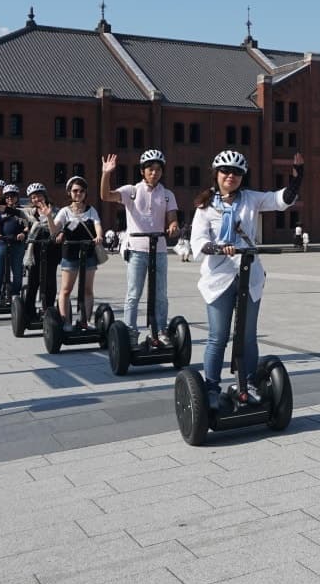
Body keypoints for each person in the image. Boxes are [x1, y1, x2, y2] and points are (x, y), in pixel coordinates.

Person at [191, 149, 303, 407]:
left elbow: (280, 200)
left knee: (248, 336)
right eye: (226, 171)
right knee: (217, 336)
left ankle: (247, 383)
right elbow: (198, 240)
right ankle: (210, 388)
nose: (231, 176)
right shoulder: (205, 207)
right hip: (218, 278)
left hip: (249, 275)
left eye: (237, 172)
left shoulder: (251, 199)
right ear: (216, 174)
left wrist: (297, 179)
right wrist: (217, 247)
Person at [101, 149, 180, 347]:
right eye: (150, 169)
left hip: (159, 250)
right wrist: (106, 174)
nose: (154, 173)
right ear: (143, 171)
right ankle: (130, 331)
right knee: (134, 293)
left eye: (158, 170)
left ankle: (161, 330)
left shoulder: (168, 195)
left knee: (160, 294)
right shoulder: (132, 191)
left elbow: (172, 219)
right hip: (137, 249)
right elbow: (106, 196)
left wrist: (172, 226)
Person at [50, 175, 102, 325]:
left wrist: (99, 236)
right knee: (66, 289)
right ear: (69, 193)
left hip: (89, 252)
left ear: (85, 193)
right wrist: (48, 216)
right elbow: (54, 229)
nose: (78, 193)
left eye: (81, 191)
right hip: (70, 253)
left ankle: (85, 320)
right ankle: (65, 321)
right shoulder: (65, 212)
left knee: (88, 289)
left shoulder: (91, 210)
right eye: (75, 191)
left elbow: (98, 225)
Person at [22, 183, 61, 315]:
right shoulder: (29, 213)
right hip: (34, 252)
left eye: (38, 195)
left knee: (50, 281)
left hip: (51, 251)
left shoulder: (56, 211)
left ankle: (48, 310)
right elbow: (11, 210)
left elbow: (60, 228)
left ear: (44, 195)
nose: (36, 199)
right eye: (33, 197)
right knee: (33, 281)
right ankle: (29, 311)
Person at [0, 185, 30, 299]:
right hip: (1, 242)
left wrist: (23, 233)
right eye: (7, 197)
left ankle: (16, 294)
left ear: (17, 197)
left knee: (17, 272)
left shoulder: (22, 211)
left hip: (17, 243)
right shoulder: (0, 210)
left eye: (12, 196)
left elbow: (27, 226)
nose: (9, 198)